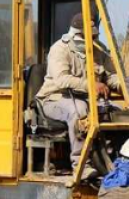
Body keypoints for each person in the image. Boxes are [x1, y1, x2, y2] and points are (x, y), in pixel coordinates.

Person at [37, 13, 121, 173]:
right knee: (79, 110)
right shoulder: (59, 49)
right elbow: (62, 80)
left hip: (87, 100)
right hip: (54, 99)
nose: (93, 39)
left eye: (95, 36)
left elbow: (110, 76)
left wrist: (122, 86)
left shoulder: (99, 50)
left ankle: (114, 162)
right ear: (76, 34)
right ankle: (81, 166)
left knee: (116, 111)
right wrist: (91, 85)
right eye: (89, 36)